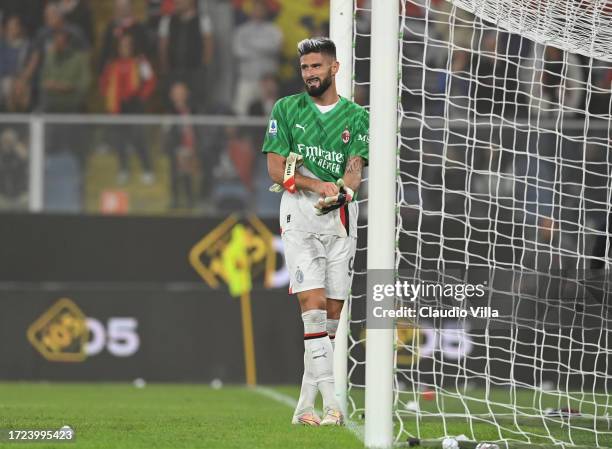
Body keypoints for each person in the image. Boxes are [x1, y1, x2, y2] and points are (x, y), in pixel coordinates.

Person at [262, 37, 369, 426]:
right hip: (299, 219)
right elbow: (276, 170)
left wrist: (344, 191)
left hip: (340, 219)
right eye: (305, 67)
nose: (309, 74)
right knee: (312, 309)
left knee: (332, 319)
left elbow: (355, 166)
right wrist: (315, 186)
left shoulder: (356, 116)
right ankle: (332, 403)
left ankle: (304, 407)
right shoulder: (287, 109)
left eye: (316, 67)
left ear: (334, 69)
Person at [99, 32, 157, 185]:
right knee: (119, 140)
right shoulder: (111, 64)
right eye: (122, 45)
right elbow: (104, 83)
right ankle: (123, 169)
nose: (125, 47)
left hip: (135, 105)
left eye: (128, 45)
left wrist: (142, 97)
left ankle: (148, 169)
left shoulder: (141, 61)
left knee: (139, 138)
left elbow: (150, 81)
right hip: (118, 107)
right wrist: (109, 98)